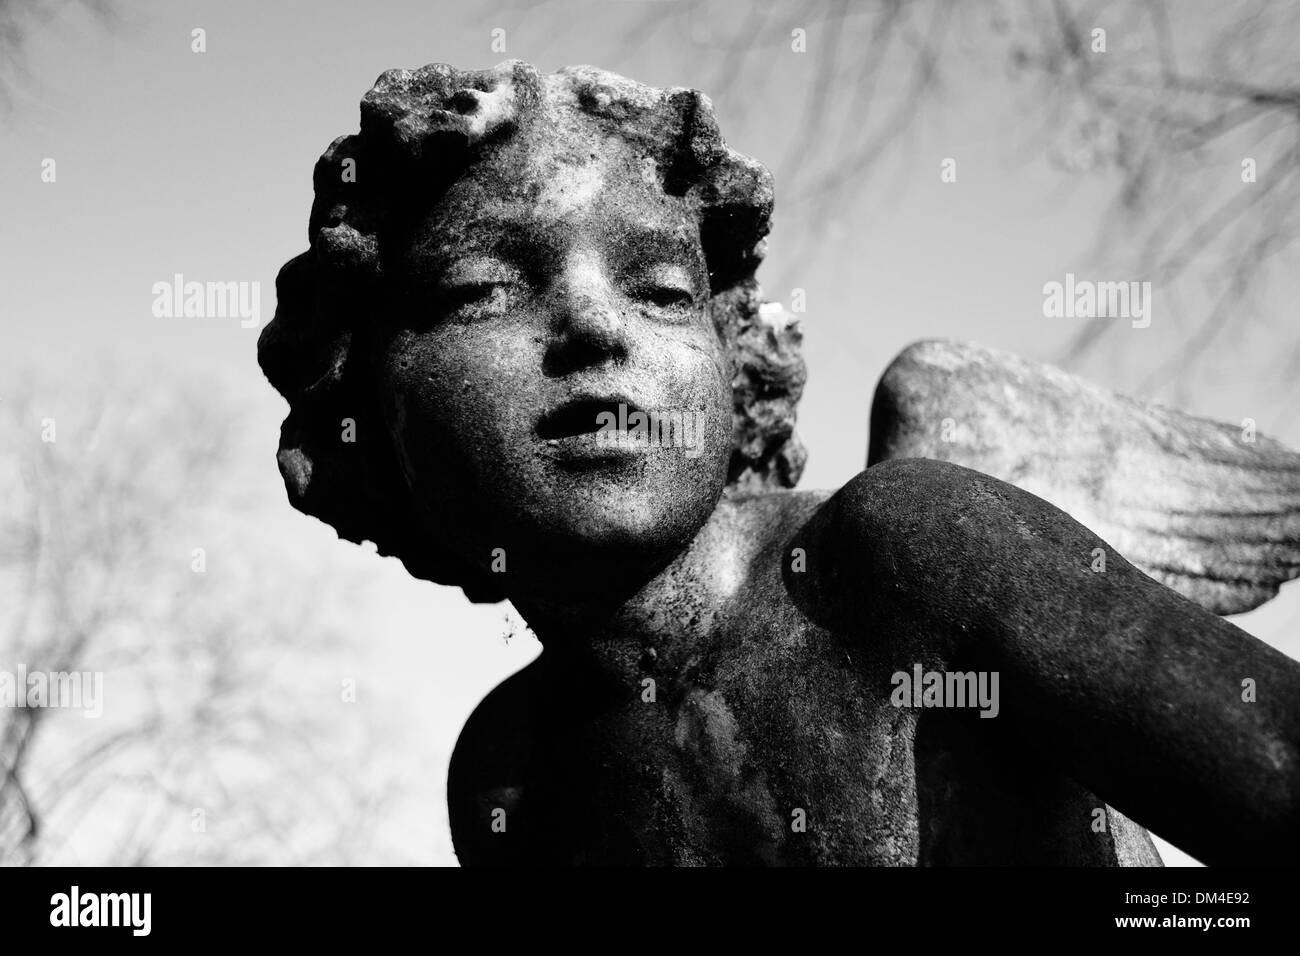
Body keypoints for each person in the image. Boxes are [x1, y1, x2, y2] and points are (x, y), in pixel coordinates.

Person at [259, 60, 1300, 865]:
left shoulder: (905, 561)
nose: (589, 324)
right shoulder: (511, 774)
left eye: (661, 290)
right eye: (481, 290)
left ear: (730, 357)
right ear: (364, 405)